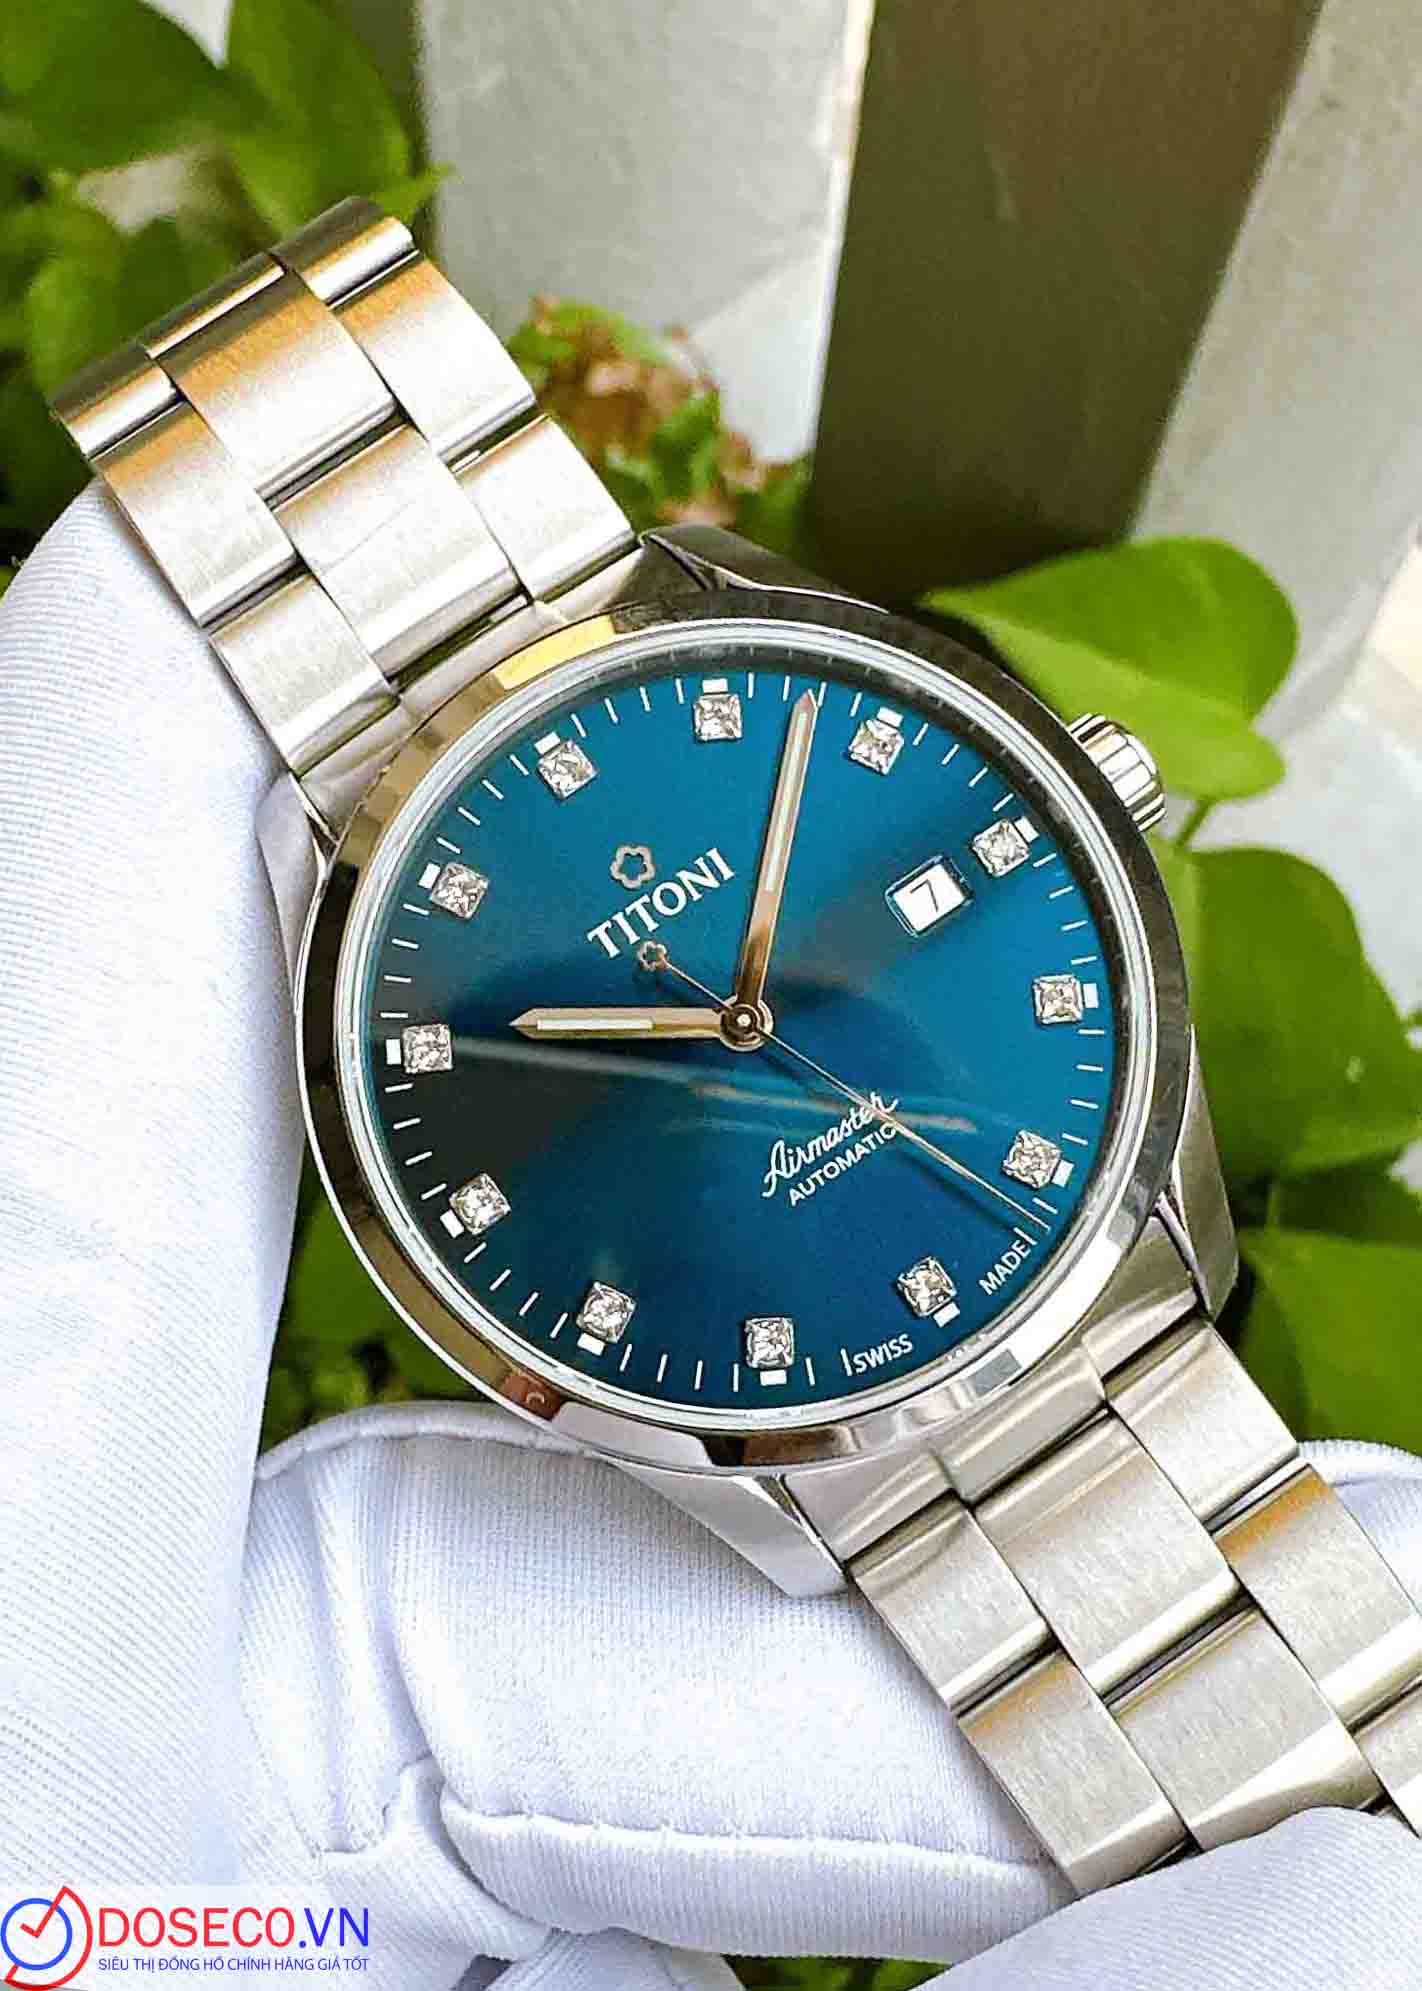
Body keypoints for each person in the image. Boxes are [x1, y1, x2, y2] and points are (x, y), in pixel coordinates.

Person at [2, 485, 1421, 1991]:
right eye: (732, 1015)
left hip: (1056, 1256)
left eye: (752, 1007)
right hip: (812, 1409)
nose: (747, 1023)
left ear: (1094, 782)